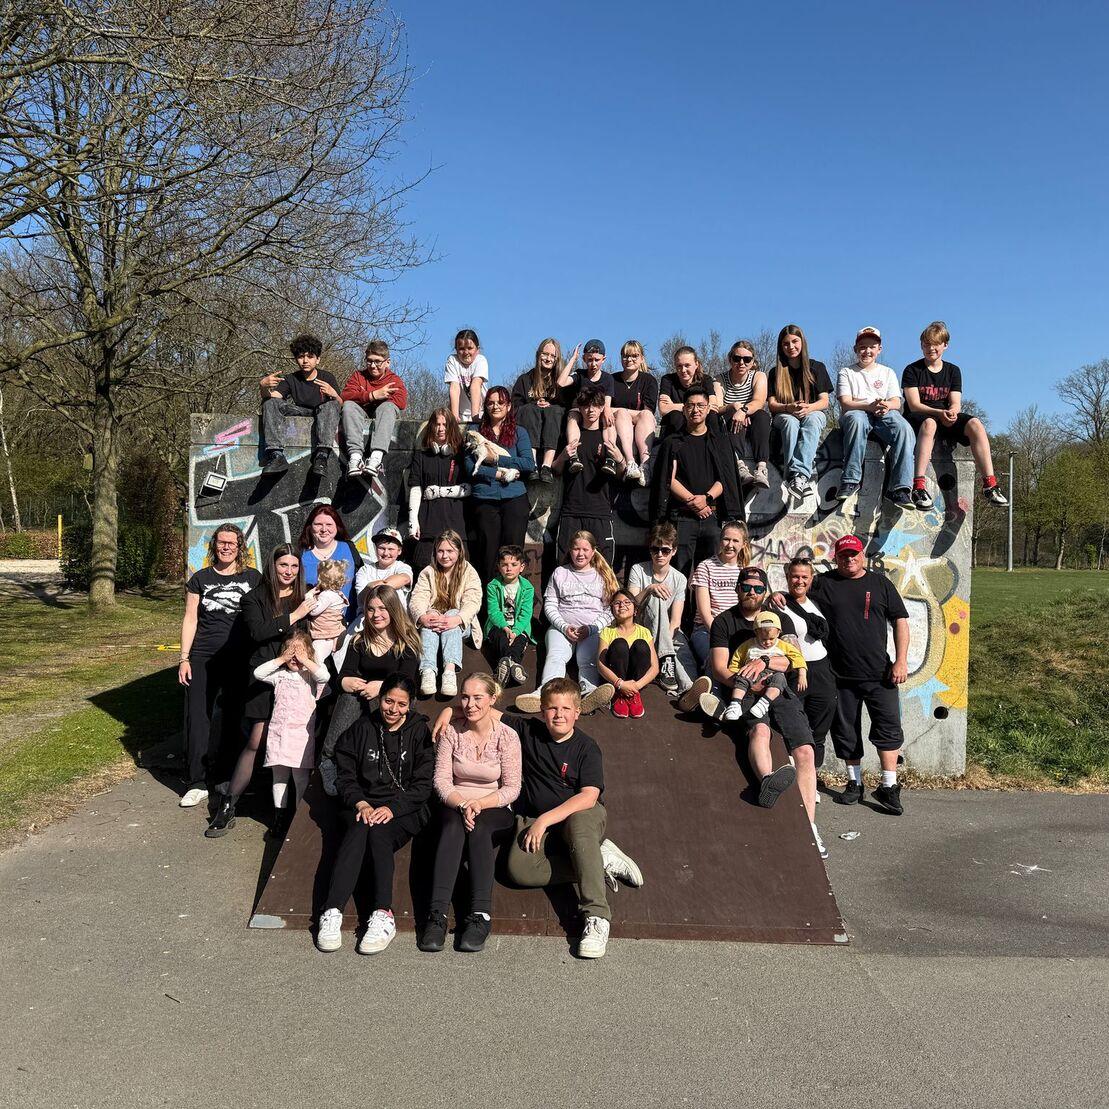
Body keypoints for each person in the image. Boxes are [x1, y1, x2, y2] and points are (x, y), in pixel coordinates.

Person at [502, 678, 642, 959]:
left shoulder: (586, 747)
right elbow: (485, 711)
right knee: (519, 870)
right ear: (542, 711)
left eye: (566, 708)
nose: (559, 714)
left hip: (580, 814)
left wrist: (544, 820)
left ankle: (597, 916)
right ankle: (599, 859)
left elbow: (588, 797)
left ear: (577, 712)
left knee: (579, 826)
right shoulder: (529, 731)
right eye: (552, 708)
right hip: (536, 817)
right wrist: (449, 712)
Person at [315, 674, 434, 955]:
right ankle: (332, 910)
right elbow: (344, 774)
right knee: (358, 828)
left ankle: (383, 914)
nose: (393, 709)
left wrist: (393, 808)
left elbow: (423, 784)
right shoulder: (362, 728)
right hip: (363, 803)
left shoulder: (419, 732)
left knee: (379, 832)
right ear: (380, 699)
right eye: (388, 701)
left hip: (403, 808)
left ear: (410, 705)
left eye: (401, 704)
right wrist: (360, 803)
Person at [207, 544, 318, 837]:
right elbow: (258, 632)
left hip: (297, 679)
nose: (288, 571)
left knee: (298, 744)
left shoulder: (305, 594)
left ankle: (288, 813)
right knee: (257, 740)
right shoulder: (254, 598)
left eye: (294, 566)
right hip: (264, 675)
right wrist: (295, 615)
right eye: (283, 565)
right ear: (273, 566)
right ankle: (228, 804)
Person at [700, 567, 820, 837]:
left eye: (757, 588)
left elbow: (791, 660)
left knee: (805, 751)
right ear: (737, 589)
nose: (751, 592)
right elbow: (720, 668)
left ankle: (810, 829)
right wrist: (747, 683)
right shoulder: (724, 622)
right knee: (760, 730)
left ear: (765, 591)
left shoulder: (781, 619)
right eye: (746, 587)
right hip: (745, 689)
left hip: (779, 688)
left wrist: (764, 660)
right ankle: (767, 780)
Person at [805, 534, 910, 816]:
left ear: (862, 555)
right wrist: (779, 596)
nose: (849, 559)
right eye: (843, 555)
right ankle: (855, 783)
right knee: (846, 730)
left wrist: (901, 661)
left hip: (881, 673)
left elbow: (900, 621)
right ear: (835, 558)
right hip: (840, 676)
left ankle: (888, 785)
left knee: (888, 728)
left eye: (853, 554)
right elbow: (798, 594)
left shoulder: (880, 584)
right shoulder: (823, 583)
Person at [419, 673, 522, 953]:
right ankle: (437, 915)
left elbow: (512, 787)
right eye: (465, 697)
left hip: (493, 806)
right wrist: (463, 804)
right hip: (455, 803)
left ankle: (480, 915)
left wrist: (480, 804)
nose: (470, 704)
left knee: (480, 829)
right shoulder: (452, 731)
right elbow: (441, 781)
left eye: (478, 698)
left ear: (492, 699)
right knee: (453, 827)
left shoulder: (507, 736)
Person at [177, 524, 262, 808]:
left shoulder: (253, 578)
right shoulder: (200, 578)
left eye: (231, 543)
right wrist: (184, 658)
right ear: (214, 545)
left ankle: (227, 777)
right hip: (203, 657)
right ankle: (196, 782)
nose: (226, 547)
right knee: (198, 717)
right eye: (221, 542)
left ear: (240, 547)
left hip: (240, 658)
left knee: (234, 717)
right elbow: (190, 618)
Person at [319, 583, 422, 795]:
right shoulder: (359, 641)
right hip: (362, 700)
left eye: (382, 608)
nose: (376, 615)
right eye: (371, 609)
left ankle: (384, 761)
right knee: (349, 697)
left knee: (385, 698)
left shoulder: (406, 643)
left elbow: (408, 682)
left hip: (396, 700)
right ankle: (328, 760)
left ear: (393, 609)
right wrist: (346, 682)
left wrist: (383, 686)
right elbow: (343, 676)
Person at [902, 320, 1009, 509]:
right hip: (920, 417)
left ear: (945, 345)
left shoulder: (953, 371)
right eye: (926, 344)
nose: (931, 348)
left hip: (944, 416)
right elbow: (914, 404)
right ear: (921, 345)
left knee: (975, 424)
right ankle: (918, 486)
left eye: (936, 344)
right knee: (930, 423)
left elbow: (956, 402)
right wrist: (939, 412)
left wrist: (952, 412)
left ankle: (990, 485)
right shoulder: (912, 370)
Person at [514, 531, 617, 717]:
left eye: (585, 549)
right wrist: (563, 626)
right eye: (576, 549)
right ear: (570, 550)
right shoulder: (560, 573)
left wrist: (592, 628)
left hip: (592, 630)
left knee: (587, 659)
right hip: (561, 628)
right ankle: (544, 693)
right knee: (555, 657)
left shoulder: (602, 575)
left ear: (593, 551)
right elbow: (550, 605)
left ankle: (589, 693)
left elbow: (610, 610)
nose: (580, 553)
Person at [650, 385, 745, 575]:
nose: (696, 410)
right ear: (684, 409)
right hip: (681, 518)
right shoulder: (672, 442)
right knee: (679, 573)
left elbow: (726, 478)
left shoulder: (720, 442)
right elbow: (668, 478)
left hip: (712, 517)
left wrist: (706, 499)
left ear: (708, 409)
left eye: (701, 405)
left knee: (710, 573)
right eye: (691, 406)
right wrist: (693, 502)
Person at [252, 628, 329, 839]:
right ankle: (279, 817)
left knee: (300, 778)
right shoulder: (280, 675)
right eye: (290, 652)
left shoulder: (310, 676)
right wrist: (281, 659)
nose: (295, 657)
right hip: (279, 734)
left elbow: (324, 676)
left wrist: (306, 660)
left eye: (300, 652)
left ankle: (297, 819)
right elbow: (258, 673)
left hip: (301, 737)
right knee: (279, 777)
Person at [837, 326, 915, 507]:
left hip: (883, 413)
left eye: (872, 347)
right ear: (855, 349)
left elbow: (896, 402)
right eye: (862, 347)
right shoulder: (846, 372)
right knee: (856, 420)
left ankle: (900, 488)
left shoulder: (887, 372)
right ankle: (850, 480)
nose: (867, 351)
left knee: (904, 428)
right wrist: (869, 406)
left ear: (879, 349)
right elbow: (846, 403)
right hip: (858, 411)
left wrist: (885, 406)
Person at [465, 385, 535, 585]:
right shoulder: (474, 432)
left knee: (512, 556)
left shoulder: (519, 432)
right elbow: (470, 467)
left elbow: (528, 464)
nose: (495, 406)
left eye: (500, 402)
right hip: (485, 500)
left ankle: (512, 600)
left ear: (509, 406)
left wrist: (496, 459)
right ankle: (489, 602)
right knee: (487, 556)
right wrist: (498, 474)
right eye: (490, 403)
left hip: (515, 499)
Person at [550, 385, 624, 565]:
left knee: (603, 569)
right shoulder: (569, 435)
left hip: (601, 512)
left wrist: (620, 459)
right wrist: (563, 456)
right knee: (565, 566)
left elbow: (621, 475)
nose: (591, 410)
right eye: (586, 406)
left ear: (602, 408)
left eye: (595, 406)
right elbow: (555, 470)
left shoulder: (609, 437)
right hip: (571, 511)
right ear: (580, 408)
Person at [779, 556, 837, 774]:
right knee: (793, 725)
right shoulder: (779, 604)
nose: (800, 581)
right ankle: (792, 777)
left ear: (811, 578)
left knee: (819, 728)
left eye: (804, 577)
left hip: (822, 670)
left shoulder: (817, 603)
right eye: (795, 576)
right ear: (787, 577)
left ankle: (812, 778)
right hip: (795, 671)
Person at [409, 529, 483, 698]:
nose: (445, 556)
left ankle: (449, 672)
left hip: (460, 624)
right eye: (440, 551)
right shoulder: (428, 572)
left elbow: (473, 600)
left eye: (450, 551)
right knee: (431, 615)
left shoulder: (468, 572)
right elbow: (418, 598)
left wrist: (457, 618)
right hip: (433, 623)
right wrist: (423, 617)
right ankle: (428, 671)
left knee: (452, 612)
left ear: (459, 551)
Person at [683, 520, 751, 697]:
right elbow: (704, 613)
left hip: (737, 631)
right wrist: (722, 637)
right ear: (720, 541)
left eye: (735, 541)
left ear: (744, 544)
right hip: (706, 630)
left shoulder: (747, 571)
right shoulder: (706, 567)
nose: (730, 545)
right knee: (716, 657)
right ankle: (711, 699)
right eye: (726, 539)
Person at [259, 333, 341, 476]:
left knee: (332, 404)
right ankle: (276, 455)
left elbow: (341, 405)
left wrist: (333, 394)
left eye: (310, 356)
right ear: (296, 359)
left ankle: (322, 456)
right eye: (301, 356)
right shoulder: (291, 378)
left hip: (322, 413)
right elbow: (273, 399)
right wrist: (263, 386)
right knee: (269, 403)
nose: (305, 360)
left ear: (318, 359)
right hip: (299, 411)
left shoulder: (327, 377)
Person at [768, 324, 834, 500]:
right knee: (790, 422)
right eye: (786, 343)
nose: (791, 346)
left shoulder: (817, 367)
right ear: (781, 347)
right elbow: (772, 404)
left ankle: (799, 476)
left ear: (802, 342)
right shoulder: (775, 372)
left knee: (813, 419)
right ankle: (795, 477)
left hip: (812, 411)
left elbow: (824, 401)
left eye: (795, 341)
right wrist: (788, 407)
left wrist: (808, 408)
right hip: (784, 414)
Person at [626, 522, 691, 698]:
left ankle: (689, 691)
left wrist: (664, 642)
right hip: (640, 625)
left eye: (665, 550)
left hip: (667, 632)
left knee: (685, 658)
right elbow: (630, 606)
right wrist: (649, 589)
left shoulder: (680, 578)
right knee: (656, 596)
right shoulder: (638, 569)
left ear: (674, 551)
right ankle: (668, 662)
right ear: (650, 550)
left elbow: (676, 621)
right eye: (655, 549)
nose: (659, 554)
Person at [406, 407, 470, 573]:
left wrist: (440, 491)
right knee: (424, 571)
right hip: (427, 525)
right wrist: (413, 521)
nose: (441, 429)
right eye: (437, 424)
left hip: (456, 523)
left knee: (458, 574)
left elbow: (469, 488)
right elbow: (415, 488)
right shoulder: (422, 456)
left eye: (445, 424)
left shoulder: (462, 455)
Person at [340, 338, 408, 487]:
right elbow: (345, 396)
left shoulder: (394, 380)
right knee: (349, 406)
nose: (373, 365)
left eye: (378, 362)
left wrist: (380, 399)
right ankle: (355, 458)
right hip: (360, 416)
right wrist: (372, 396)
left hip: (383, 418)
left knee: (388, 407)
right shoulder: (358, 376)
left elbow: (401, 402)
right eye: (369, 361)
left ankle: (376, 458)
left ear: (387, 362)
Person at [721, 611, 806, 721]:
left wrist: (802, 674)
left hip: (773, 674)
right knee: (742, 679)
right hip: (751, 673)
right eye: (764, 639)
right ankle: (735, 704)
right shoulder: (748, 645)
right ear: (756, 633)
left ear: (778, 633)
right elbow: (737, 659)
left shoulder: (782, 645)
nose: (768, 643)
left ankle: (764, 702)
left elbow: (797, 656)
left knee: (780, 680)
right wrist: (736, 672)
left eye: (771, 639)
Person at [510, 338, 570, 481]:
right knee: (530, 410)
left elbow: (568, 406)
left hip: (554, 429)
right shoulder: (525, 379)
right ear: (538, 355)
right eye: (545, 354)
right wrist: (534, 405)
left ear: (557, 359)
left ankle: (546, 467)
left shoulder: (562, 381)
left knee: (554, 411)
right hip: (529, 425)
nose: (548, 359)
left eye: (552, 356)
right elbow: (515, 406)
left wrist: (550, 406)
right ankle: (532, 465)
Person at [597, 589, 659, 719]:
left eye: (627, 602)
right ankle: (619, 695)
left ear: (635, 610)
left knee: (641, 645)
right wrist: (620, 684)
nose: (622, 605)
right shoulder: (607, 632)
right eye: (617, 603)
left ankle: (633, 695)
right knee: (619, 644)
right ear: (612, 610)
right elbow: (600, 664)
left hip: (637, 681)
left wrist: (636, 686)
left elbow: (655, 667)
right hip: (616, 680)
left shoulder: (644, 632)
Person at [717, 339, 771, 488]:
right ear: (730, 359)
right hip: (730, 422)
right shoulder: (719, 380)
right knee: (729, 415)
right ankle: (739, 465)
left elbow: (759, 401)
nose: (741, 363)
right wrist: (733, 407)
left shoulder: (758, 376)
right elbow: (717, 407)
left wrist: (743, 411)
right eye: (737, 358)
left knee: (762, 416)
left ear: (752, 362)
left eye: (747, 359)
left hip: (752, 418)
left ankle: (761, 468)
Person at [558, 339, 617, 470]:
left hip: (600, 412)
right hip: (581, 412)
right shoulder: (580, 374)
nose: (593, 364)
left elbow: (607, 404)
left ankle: (610, 457)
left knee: (608, 416)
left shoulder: (608, 378)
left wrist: (607, 411)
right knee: (573, 415)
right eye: (589, 360)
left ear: (603, 359)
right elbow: (561, 383)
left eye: (597, 360)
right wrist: (573, 359)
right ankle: (573, 455)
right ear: (584, 359)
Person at [298, 504, 361, 620]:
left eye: (329, 524)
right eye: (318, 524)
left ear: (337, 526)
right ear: (310, 527)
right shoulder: (301, 554)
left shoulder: (349, 548)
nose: (323, 529)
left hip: (348, 623)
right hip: (314, 625)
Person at [485, 544, 535, 688]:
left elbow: (526, 613)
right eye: (504, 564)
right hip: (499, 625)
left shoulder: (527, 587)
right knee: (502, 639)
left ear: (522, 567)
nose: (509, 568)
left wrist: (516, 631)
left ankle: (507, 665)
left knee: (519, 641)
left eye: (514, 564)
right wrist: (506, 628)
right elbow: (493, 611)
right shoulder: (493, 586)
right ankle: (514, 665)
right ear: (499, 566)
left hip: (519, 626)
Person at [611, 339, 659, 485]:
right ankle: (630, 462)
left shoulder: (649, 381)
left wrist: (623, 411)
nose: (629, 359)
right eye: (626, 356)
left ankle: (645, 465)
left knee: (644, 415)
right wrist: (624, 413)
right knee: (622, 414)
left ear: (641, 358)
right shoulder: (611, 380)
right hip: (617, 424)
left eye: (634, 356)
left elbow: (648, 411)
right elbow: (605, 408)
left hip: (642, 424)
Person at [657, 346, 724, 438]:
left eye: (687, 365)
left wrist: (675, 406)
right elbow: (663, 409)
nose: (683, 370)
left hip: (700, 424)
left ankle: (715, 443)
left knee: (712, 415)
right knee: (675, 415)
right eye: (679, 366)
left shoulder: (705, 380)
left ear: (696, 364)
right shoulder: (668, 380)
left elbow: (712, 406)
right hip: (674, 429)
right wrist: (697, 406)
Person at [351, 527, 414, 612]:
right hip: (368, 616)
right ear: (375, 548)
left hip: (395, 616)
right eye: (382, 548)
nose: (386, 553)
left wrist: (371, 587)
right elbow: (362, 598)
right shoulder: (365, 570)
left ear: (399, 551)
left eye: (391, 549)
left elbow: (404, 579)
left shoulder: (402, 567)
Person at [307, 558, 349, 665]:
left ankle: (320, 675)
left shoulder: (326, 596)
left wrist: (309, 596)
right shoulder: (337, 594)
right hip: (334, 633)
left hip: (325, 635)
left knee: (316, 659)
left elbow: (313, 611)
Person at [445, 328, 488, 425]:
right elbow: (454, 387)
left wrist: (475, 417)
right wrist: (454, 416)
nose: (466, 352)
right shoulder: (452, 360)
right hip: (460, 413)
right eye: (461, 349)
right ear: (456, 350)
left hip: (480, 412)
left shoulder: (481, 360)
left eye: (470, 348)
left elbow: (476, 385)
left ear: (477, 349)